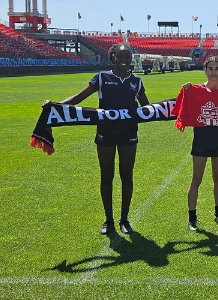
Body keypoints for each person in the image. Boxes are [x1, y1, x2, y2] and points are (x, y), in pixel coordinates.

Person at [42, 43, 150, 235]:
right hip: (105, 133)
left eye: (127, 57)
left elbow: (147, 108)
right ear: (113, 57)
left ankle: (124, 219)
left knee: (127, 176)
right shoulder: (101, 77)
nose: (124, 60)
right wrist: (55, 106)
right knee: (106, 176)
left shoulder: (137, 81)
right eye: (120, 56)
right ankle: (108, 220)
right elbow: (78, 99)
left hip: (129, 134)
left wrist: (173, 107)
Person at [179, 56, 218, 232]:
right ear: (205, 71)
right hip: (201, 138)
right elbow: (183, 106)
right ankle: (192, 219)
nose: (213, 72)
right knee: (196, 179)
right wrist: (186, 91)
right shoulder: (196, 90)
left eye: (217, 68)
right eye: (210, 68)